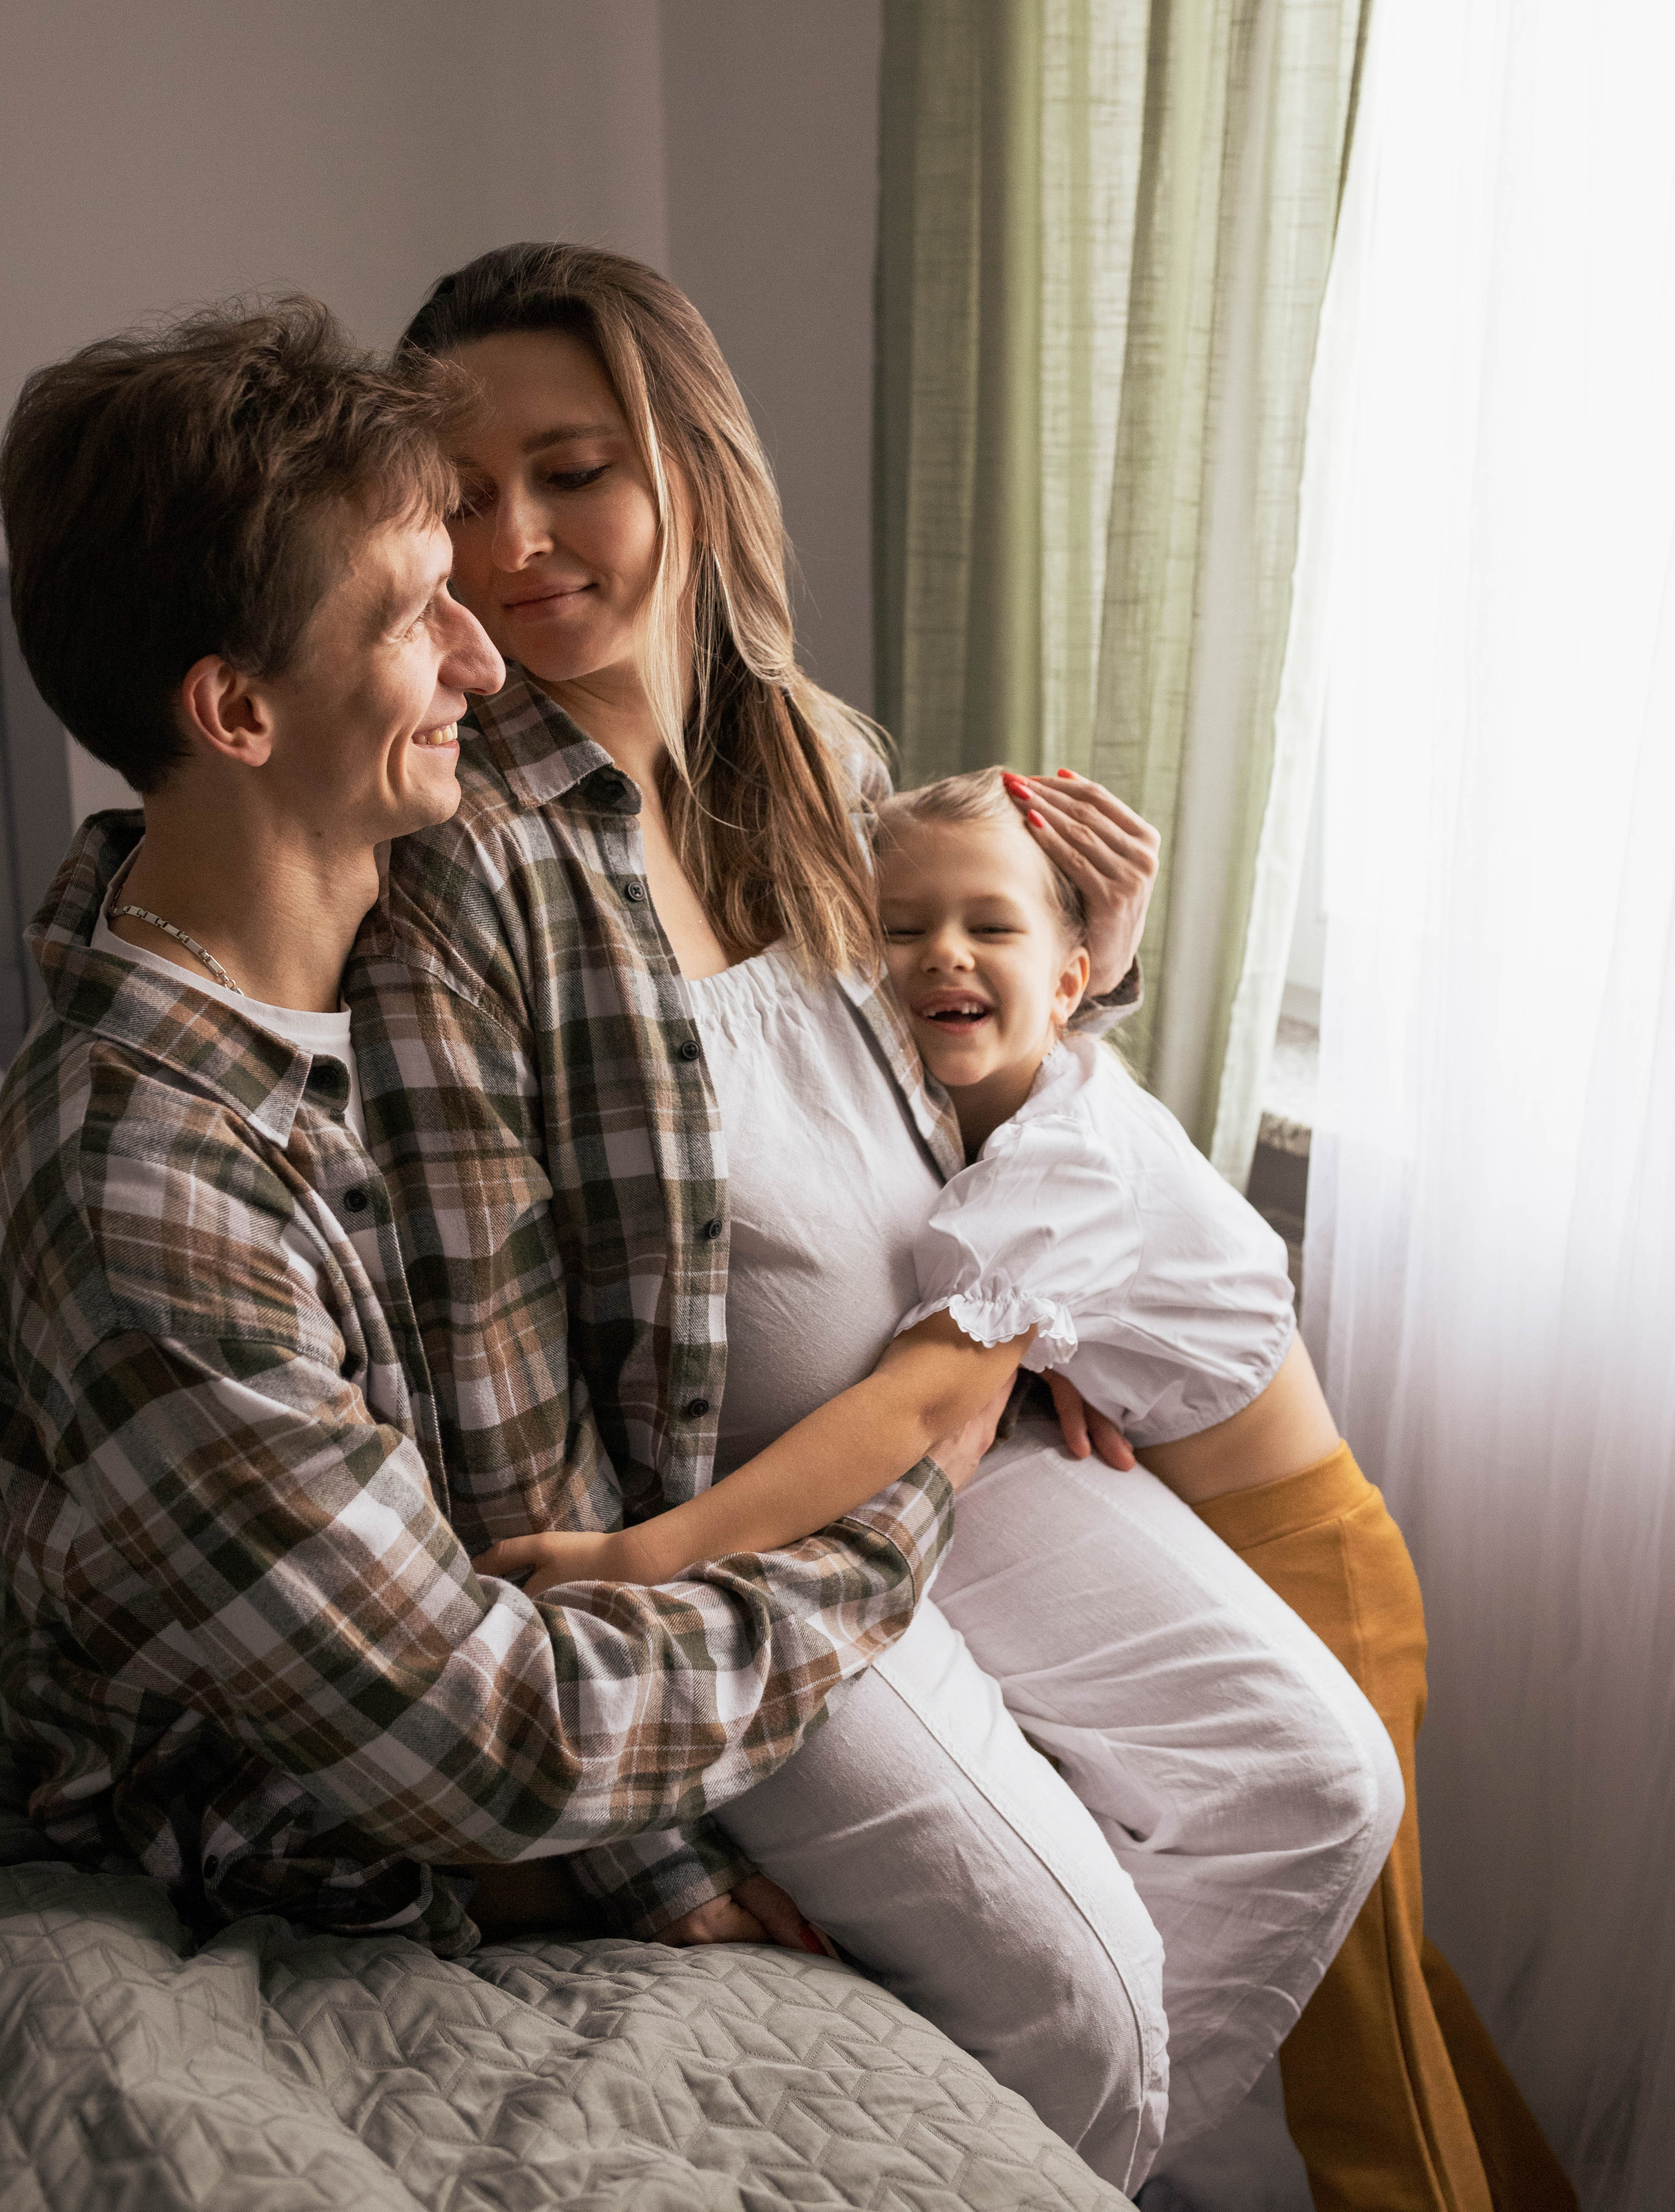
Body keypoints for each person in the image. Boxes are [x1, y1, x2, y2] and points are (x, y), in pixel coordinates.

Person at [347, 240, 1405, 2191]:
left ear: (685, 465)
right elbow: (495, 1396)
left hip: (955, 1436)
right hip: (733, 1535)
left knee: (1316, 1779)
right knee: (1077, 2001)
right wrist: (640, 1843)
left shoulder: (821, 763)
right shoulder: (458, 862)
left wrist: (1038, 1279)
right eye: (462, 495)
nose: (515, 539)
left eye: (572, 470)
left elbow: (937, 1085)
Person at [0, 299, 979, 1966]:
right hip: (340, 1857)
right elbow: (497, 1746)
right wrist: (905, 1504)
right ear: (235, 713)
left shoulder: (387, 998)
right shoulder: (147, 1193)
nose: (485, 659)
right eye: (411, 617)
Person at [500, 763, 1576, 2211]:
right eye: (898, 930)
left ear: (1070, 977)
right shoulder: (969, 1108)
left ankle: (1064, 2177)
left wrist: (655, 1554)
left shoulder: (1063, 1148)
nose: (938, 955)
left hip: (1300, 1546)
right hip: (1197, 1504)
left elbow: (925, 1387)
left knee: (1356, 2017)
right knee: (1373, 1971)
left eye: (985, 931)